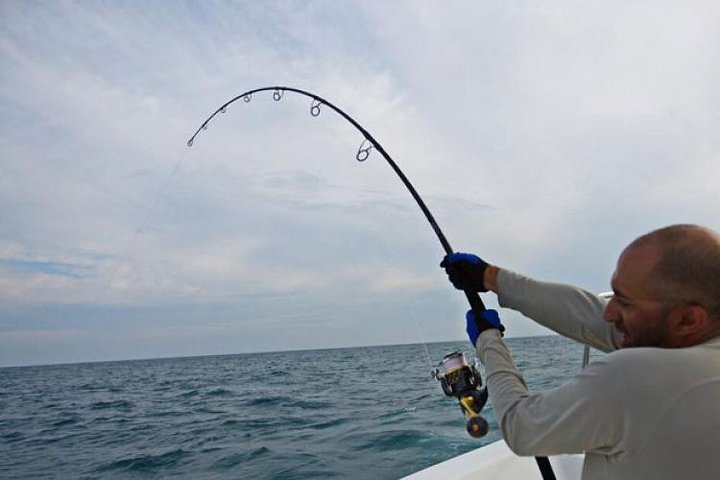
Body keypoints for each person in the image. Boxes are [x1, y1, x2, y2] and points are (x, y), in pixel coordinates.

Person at [440, 224, 720, 480]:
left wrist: (488, 341)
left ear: (689, 319)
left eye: (624, 302)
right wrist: (491, 278)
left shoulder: (640, 376)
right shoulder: (695, 346)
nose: (610, 313)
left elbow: (522, 427)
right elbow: (593, 318)